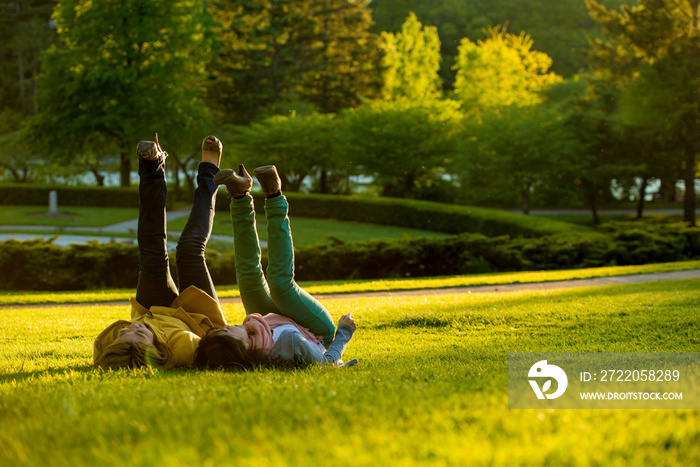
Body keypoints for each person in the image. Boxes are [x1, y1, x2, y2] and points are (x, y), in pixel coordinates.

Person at [194, 164, 357, 369]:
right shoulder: (288, 347)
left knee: (248, 280)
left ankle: (239, 195)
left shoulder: (252, 330)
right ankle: (274, 194)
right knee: (281, 285)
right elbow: (327, 364)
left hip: (273, 322)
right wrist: (344, 331)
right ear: (242, 347)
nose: (228, 325)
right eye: (227, 331)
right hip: (313, 330)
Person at [93, 134, 228, 369]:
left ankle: (152, 165)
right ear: (155, 350)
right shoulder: (183, 348)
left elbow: (110, 344)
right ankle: (210, 171)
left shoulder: (109, 345)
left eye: (125, 333)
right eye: (138, 335)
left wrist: (133, 333)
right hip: (196, 319)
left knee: (151, 251)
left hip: (154, 311)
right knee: (189, 249)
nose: (131, 327)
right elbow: (215, 352)